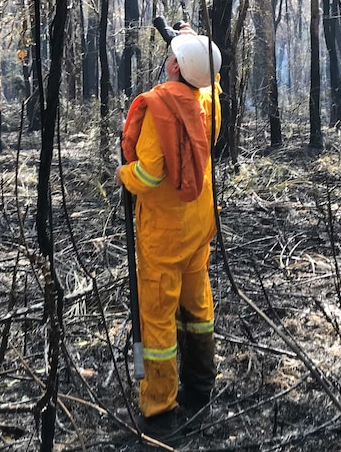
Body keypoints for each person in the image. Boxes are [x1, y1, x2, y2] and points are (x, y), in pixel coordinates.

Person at [115, 24, 222, 439]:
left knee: (157, 319)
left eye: (174, 55)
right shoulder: (207, 104)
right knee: (197, 305)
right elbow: (210, 82)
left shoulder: (157, 108)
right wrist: (197, 45)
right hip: (198, 228)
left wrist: (122, 174)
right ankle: (200, 385)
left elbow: (147, 173)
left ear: (175, 65)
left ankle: (159, 409)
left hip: (163, 235)